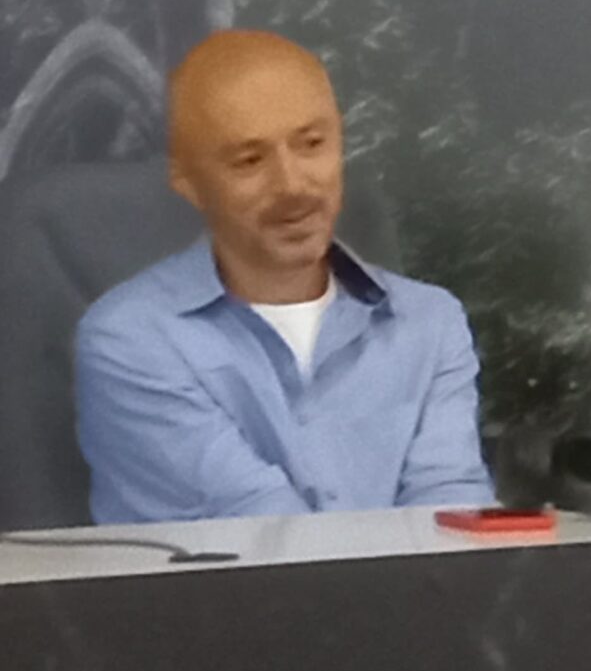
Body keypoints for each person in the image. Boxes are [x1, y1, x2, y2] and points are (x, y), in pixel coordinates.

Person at [74, 31, 494, 523]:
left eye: (312, 144)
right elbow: (262, 530)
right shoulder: (131, 338)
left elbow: (451, 512)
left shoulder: (430, 322)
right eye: (250, 160)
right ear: (188, 182)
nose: (293, 186)